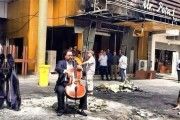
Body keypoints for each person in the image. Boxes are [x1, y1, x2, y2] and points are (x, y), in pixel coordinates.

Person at [55, 50, 87, 116]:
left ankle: (81, 109)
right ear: (65, 56)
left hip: (74, 82)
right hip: (63, 83)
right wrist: (66, 71)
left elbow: (82, 73)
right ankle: (61, 109)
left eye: (71, 55)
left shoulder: (74, 63)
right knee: (60, 90)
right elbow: (57, 68)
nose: (70, 57)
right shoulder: (61, 62)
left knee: (84, 91)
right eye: (69, 55)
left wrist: (81, 68)